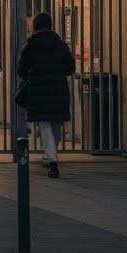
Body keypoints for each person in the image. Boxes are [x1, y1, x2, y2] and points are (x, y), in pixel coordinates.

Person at [16, 12, 75, 178]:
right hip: (58, 90)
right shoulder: (61, 45)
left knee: (45, 126)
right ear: (50, 25)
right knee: (56, 125)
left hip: (39, 91)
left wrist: (34, 75)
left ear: (34, 26)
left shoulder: (29, 46)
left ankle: (52, 161)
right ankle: (51, 156)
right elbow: (71, 68)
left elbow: (21, 70)